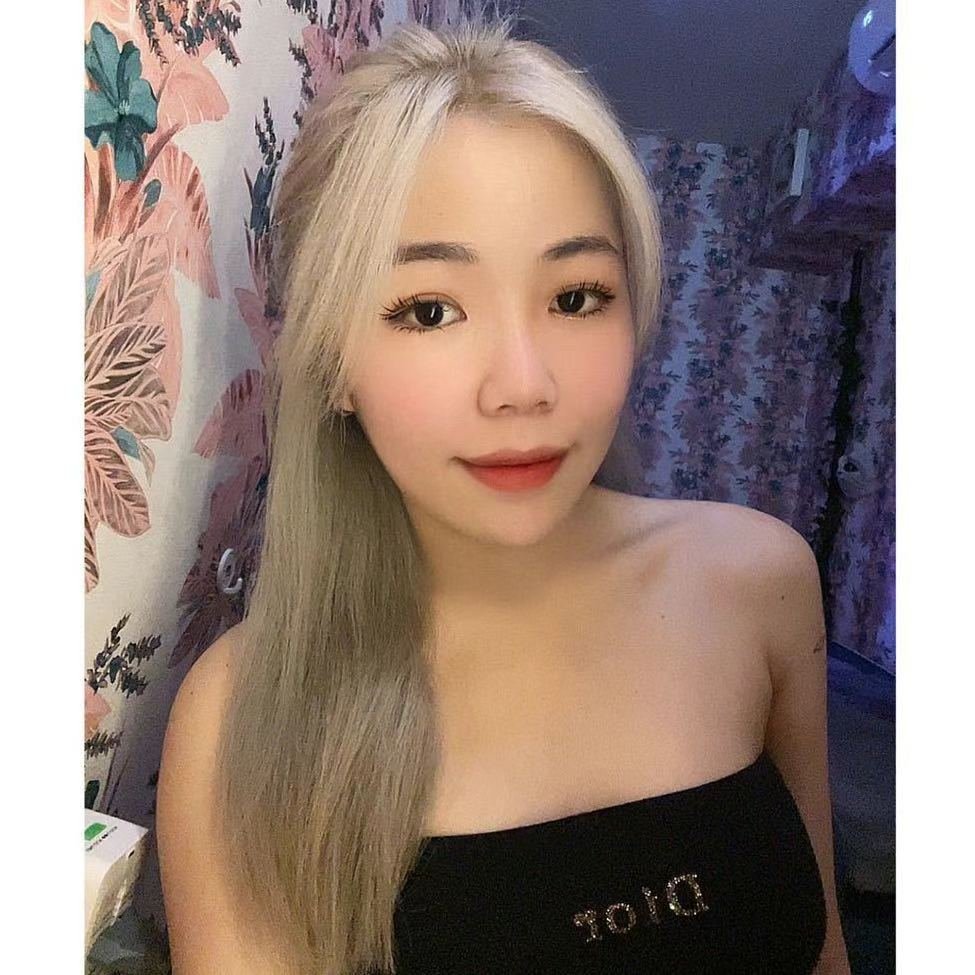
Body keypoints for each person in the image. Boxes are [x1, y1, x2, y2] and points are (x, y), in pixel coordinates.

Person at [156, 10, 850, 974]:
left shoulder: (759, 579)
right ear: (332, 362)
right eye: (428, 310)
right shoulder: (242, 717)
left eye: (576, 297)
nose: (523, 385)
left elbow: (822, 949)